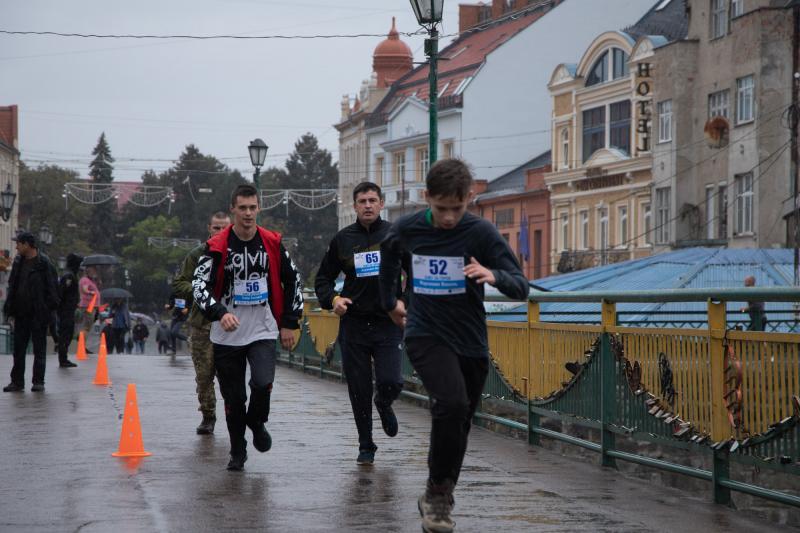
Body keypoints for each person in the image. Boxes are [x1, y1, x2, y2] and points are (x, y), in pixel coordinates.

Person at [379, 159, 529, 533]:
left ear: (470, 198)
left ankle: (438, 490)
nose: (448, 218)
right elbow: (388, 256)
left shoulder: (481, 233)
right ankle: (439, 498)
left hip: (470, 341)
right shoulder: (408, 228)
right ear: (427, 196)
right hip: (425, 333)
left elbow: (520, 286)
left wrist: (493, 274)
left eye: (457, 209)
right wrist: (390, 302)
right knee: (452, 403)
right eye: (441, 208)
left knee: (459, 422)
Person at [193, 184, 303, 471]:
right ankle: (237, 450)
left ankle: (257, 421)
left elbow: (293, 280)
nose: (248, 213)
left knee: (263, 382)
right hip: (227, 334)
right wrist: (219, 313)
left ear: (259, 208)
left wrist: (289, 323)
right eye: (242, 208)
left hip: (262, 329)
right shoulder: (217, 246)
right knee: (234, 398)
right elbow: (199, 286)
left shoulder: (272, 243)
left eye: (252, 207)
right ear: (233, 209)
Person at [314, 181, 404, 465]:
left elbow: (415, 272)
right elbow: (322, 279)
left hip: (388, 321)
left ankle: (384, 402)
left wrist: (405, 303)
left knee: (391, 381)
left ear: (381, 204)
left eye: (372, 200)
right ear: (354, 206)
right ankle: (366, 444)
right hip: (354, 323)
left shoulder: (395, 235)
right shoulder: (343, 239)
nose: (367, 205)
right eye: (362, 201)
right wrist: (333, 300)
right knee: (359, 388)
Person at [173, 210, 231, 435]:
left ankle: (234, 415)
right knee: (204, 374)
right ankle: (208, 416)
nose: (220, 231)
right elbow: (179, 283)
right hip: (202, 324)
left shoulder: (237, 254)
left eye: (224, 227)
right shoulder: (197, 254)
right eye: (216, 227)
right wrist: (200, 290)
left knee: (230, 375)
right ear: (209, 228)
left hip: (230, 325)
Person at [3, 232, 60, 393]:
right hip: (21, 313)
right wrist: (10, 307)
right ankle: (17, 382)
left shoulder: (44, 263)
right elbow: (13, 285)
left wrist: (46, 309)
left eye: (19, 244)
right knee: (18, 349)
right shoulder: (18, 262)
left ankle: (38, 381)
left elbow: (53, 290)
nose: (16, 247)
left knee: (39, 349)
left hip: (38, 314)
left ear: (27, 245)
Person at [56, 253, 83, 368]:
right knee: (66, 334)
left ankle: (63, 357)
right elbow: (62, 292)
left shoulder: (71, 275)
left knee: (68, 333)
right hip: (66, 310)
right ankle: (63, 358)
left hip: (68, 309)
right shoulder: (69, 276)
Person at [78, 264, 100, 350]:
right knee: (87, 326)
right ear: (89, 271)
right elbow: (85, 289)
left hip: (91, 305)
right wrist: (92, 293)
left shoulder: (90, 280)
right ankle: (82, 346)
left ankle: (83, 345)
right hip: (88, 305)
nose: (95, 272)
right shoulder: (85, 280)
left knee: (88, 326)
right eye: (93, 270)